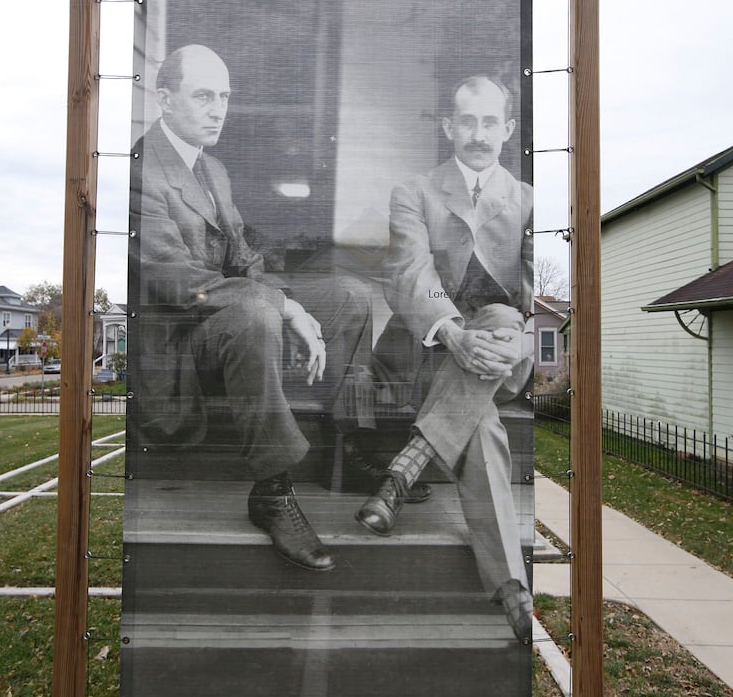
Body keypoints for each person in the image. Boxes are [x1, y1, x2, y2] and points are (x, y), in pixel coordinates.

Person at [131, 44, 378, 573]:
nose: (218, 109)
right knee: (258, 313)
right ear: (165, 99)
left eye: (224, 96)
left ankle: (347, 445)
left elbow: (241, 258)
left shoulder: (211, 169)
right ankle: (273, 491)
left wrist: (283, 296)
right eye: (203, 96)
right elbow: (173, 279)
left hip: (224, 319)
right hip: (178, 349)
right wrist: (283, 306)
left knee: (351, 296)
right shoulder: (141, 170)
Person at [359, 73, 535, 641]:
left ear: (507, 128)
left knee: (505, 322)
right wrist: (453, 332)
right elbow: (409, 272)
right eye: (467, 121)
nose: (478, 134)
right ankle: (512, 585)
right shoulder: (414, 192)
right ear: (448, 127)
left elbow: (535, 300)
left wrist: (521, 340)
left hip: (501, 356)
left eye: (490, 122)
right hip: (428, 351)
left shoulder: (528, 201)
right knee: (481, 426)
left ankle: (402, 473)